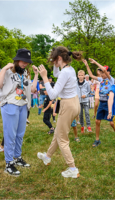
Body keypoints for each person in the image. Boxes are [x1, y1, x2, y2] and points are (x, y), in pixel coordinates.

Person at [37, 46, 81, 178]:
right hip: (74, 103)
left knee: (62, 139)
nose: (53, 63)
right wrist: (54, 63)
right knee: (58, 132)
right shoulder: (69, 69)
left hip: (67, 105)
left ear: (59, 58)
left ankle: (72, 168)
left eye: (54, 60)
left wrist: (44, 77)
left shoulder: (65, 72)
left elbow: (52, 95)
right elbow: (57, 74)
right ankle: (47, 156)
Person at [0, 48, 38, 176]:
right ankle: (9, 163)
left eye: (27, 62)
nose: (25, 64)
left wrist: (36, 75)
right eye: (23, 61)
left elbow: (33, 90)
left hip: (23, 105)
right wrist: (3, 69)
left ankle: (17, 157)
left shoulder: (25, 73)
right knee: (10, 135)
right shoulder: (7, 71)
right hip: (10, 104)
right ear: (17, 59)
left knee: (20, 134)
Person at [83, 58, 115, 147]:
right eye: (101, 72)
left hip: (109, 104)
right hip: (102, 103)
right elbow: (91, 75)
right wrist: (87, 65)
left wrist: (95, 62)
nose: (101, 73)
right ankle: (97, 140)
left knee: (112, 123)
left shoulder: (111, 80)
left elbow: (104, 69)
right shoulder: (101, 80)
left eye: (103, 72)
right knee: (97, 121)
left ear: (108, 73)